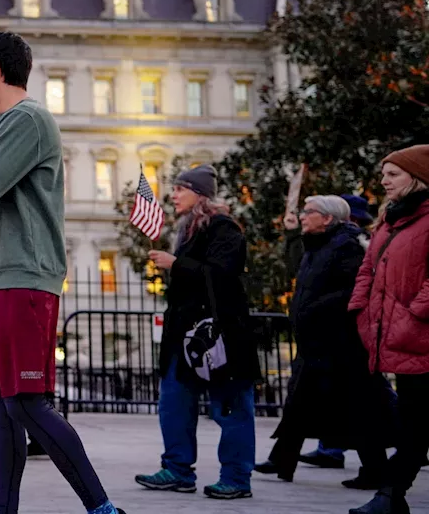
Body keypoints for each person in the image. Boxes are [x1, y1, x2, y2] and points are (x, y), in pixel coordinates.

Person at [0, 31, 121, 514]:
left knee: (25, 404)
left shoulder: (27, 119)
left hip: (22, 279)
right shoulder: (4, 125)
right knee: (0, 410)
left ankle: (102, 507)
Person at [134, 165, 259, 501]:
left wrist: (175, 264)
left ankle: (236, 477)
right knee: (173, 404)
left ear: (200, 194)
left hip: (219, 337)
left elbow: (222, 274)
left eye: (181, 189)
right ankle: (177, 469)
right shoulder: (187, 229)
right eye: (174, 189)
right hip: (184, 337)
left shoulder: (223, 227)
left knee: (231, 409)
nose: (173, 195)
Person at [253, 196, 394, 488]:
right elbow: (298, 269)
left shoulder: (347, 245)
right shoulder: (319, 244)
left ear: (327, 218)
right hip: (315, 341)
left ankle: (376, 470)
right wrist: (293, 235)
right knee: (299, 400)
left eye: (309, 212)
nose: (304, 216)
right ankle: (283, 459)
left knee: (358, 406)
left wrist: (314, 310)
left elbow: (352, 290)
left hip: (340, 343)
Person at [349, 145, 429, 514]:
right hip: (400, 339)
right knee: (413, 421)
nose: (384, 181)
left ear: (417, 177)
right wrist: (361, 309)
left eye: (393, 174)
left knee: (416, 423)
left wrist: (415, 314)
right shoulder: (389, 220)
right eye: (384, 174)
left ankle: (390, 494)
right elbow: (369, 268)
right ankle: (391, 497)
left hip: (420, 334)